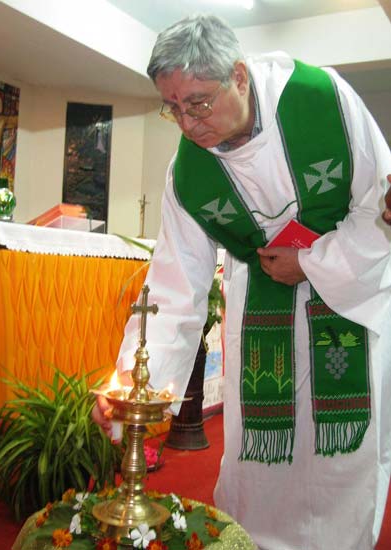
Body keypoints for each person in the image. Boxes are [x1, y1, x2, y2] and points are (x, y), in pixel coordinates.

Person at [93, 14, 391, 550]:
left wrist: (314, 263)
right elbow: (175, 284)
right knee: (260, 470)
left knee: (340, 464)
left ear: (238, 76)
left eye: (198, 103)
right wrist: (136, 383)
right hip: (259, 316)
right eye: (173, 108)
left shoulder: (320, 99)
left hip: (347, 298)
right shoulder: (189, 171)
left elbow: (381, 207)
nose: (187, 124)